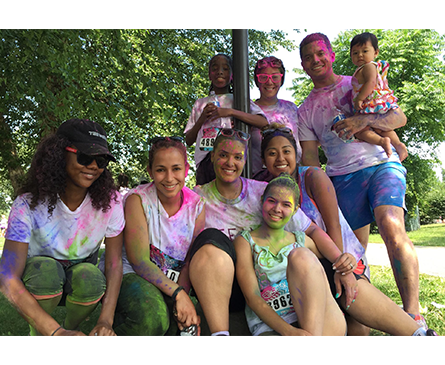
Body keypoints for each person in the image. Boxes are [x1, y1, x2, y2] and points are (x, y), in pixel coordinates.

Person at [297, 32, 425, 327]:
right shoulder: (304, 110)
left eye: (320, 53)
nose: (315, 60)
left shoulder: (357, 78)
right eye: (307, 57)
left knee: (392, 227)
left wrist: (363, 121)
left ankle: (413, 315)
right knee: (355, 256)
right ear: (303, 65)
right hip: (341, 179)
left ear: (330, 55)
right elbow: (311, 161)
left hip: (382, 164)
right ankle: (361, 320)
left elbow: (398, 117)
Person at [234, 173, 437, 336]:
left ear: (295, 209)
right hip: (275, 328)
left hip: (319, 323)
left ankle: (419, 335)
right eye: (271, 201)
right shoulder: (245, 241)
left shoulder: (300, 239)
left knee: (301, 256)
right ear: (262, 201)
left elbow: (330, 263)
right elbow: (252, 297)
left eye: (286, 204)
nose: (277, 208)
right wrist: (290, 332)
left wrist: (344, 263)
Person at [187, 128, 344, 336]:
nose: (230, 163)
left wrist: (343, 266)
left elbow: (312, 229)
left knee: (315, 262)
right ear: (213, 156)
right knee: (211, 239)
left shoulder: (263, 192)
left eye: (237, 157)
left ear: (244, 161)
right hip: (227, 287)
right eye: (223, 155)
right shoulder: (195, 198)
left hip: (272, 280)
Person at [0, 118, 125, 336]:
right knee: (46, 272)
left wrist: (105, 320)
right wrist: (54, 332)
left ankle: (71, 331)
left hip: (80, 279)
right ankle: (40, 335)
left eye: (102, 160)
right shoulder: (27, 205)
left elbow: (114, 264)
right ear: (58, 155)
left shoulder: (110, 203)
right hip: (39, 281)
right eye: (85, 157)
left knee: (90, 277)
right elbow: (7, 277)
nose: (94, 166)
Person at [260, 124, 370, 335]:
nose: (280, 158)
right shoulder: (267, 190)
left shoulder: (312, 177)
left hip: (341, 253)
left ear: (296, 154)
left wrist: (340, 267)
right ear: (264, 160)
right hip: (307, 262)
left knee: (356, 319)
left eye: (286, 151)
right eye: (272, 153)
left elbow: (333, 225)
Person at [106, 136, 205, 335]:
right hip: (133, 275)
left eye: (176, 169)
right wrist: (178, 294)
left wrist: (181, 295)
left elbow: (188, 261)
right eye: (160, 170)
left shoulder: (196, 205)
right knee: (154, 316)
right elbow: (139, 261)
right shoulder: (138, 200)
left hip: (173, 283)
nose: (169, 178)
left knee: (183, 329)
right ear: (150, 171)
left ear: (186, 170)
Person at [184, 53, 268, 185]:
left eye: (225, 68)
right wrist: (202, 118)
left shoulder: (240, 100)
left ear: (232, 74)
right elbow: (188, 140)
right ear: (209, 74)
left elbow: (263, 122)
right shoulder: (200, 103)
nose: (220, 72)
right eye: (215, 68)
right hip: (206, 161)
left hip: (231, 160)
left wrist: (231, 112)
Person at [349, 32, 408, 161]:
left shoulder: (369, 66)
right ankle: (398, 145)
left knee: (360, 131)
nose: (360, 55)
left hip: (371, 103)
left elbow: (371, 82)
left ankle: (382, 142)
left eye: (364, 51)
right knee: (382, 128)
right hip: (373, 104)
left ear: (375, 53)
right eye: (355, 53)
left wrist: (359, 98)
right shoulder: (363, 68)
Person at [252, 56, 302, 181]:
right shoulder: (249, 109)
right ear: (257, 81)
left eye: (275, 77)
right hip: (259, 181)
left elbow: (304, 144)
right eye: (263, 77)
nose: (269, 82)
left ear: (281, 79)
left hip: (293, 177)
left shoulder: (291, 107)